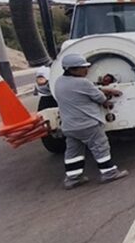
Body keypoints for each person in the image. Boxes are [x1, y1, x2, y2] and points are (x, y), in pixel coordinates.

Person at [53, 53, 129, 189]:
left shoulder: (59, 81)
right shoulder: (83, 82)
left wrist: (101, 89)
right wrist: (107, 101)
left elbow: (82, 92)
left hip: (69, 126)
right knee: (100, 147)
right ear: (72, 69)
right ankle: (109, 173)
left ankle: (73, 178)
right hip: (87, 124)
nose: (87, 70)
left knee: (73, 152)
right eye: (83, 68)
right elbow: (99, 97)